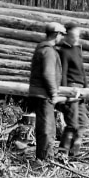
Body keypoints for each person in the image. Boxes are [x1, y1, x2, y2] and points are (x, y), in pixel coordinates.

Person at [27, 21, 65, 161]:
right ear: (56, 34)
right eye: (61, 34)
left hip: (38, 93)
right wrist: (54, 93)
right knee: (48, 127)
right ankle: (45, 159)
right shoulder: (48, 51)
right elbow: (48, 73)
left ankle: (42, 157)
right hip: (44, 94)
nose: (62, 38)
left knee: (44, 125)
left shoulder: (41, 48)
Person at [57, 23, 89, 157]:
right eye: (73, 36)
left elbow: (82, 70)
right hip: (71, 88)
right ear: (66, 36)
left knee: (83, 123)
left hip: (80, 89)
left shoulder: (77, 49)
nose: (76, 39)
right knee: (72, 123)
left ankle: (74, 152)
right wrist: (65, 92)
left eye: (77, 36)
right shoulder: (63, 51)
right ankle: (62, 153)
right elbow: (62, 73)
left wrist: (86, 88)